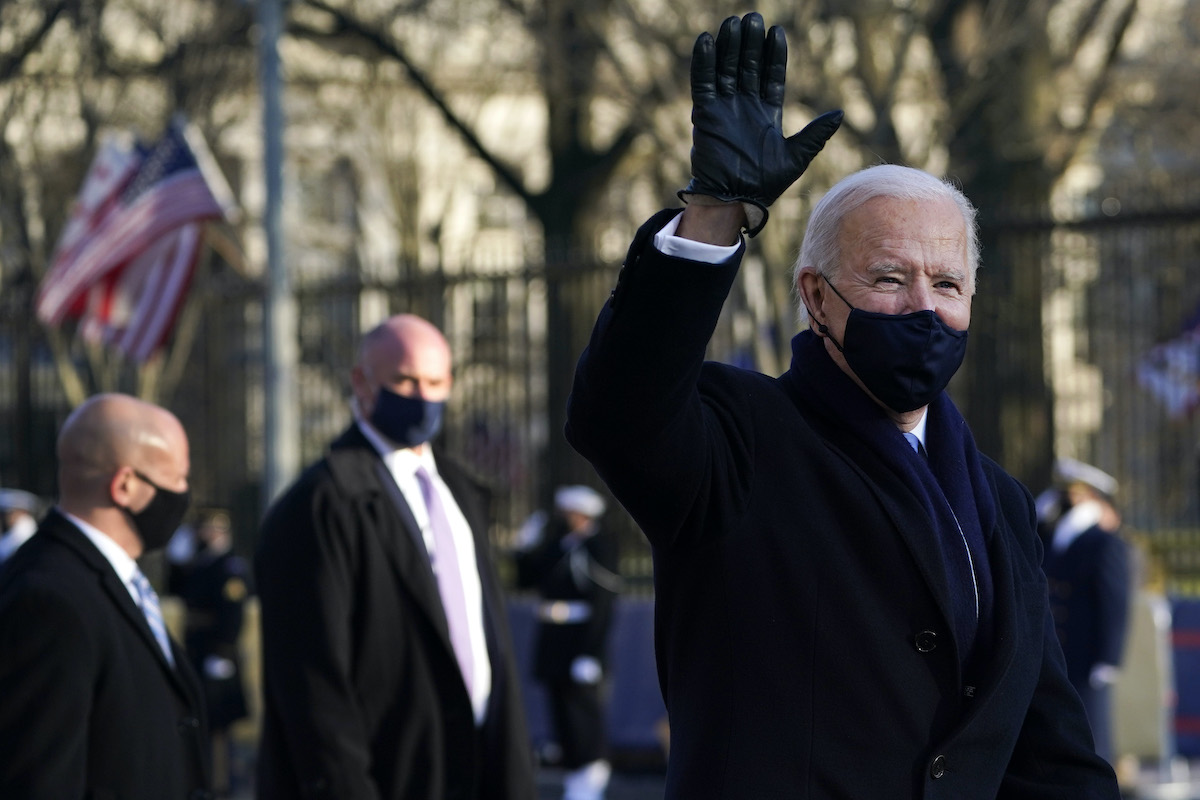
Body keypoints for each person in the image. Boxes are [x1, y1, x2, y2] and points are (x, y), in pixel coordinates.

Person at [564, 12, 1120, 798]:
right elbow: (616, 412)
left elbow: (1046, 745)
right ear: (815, 297)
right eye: (890, 279)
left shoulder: (998, 498)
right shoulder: (739, 439)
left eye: (949, 284)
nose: (924, 307)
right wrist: (716, 212)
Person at [255, 313, 535, 800]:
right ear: (362, 382)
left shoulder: (461, 491)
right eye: (404, 380)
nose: (423, 397)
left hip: (477, 768)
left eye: (435, 382)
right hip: (390, 776)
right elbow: (313, 687)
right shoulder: (319, 504)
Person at [0, 393, 211, 799]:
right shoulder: (49, 599)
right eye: (177, 479)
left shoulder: (114, 580)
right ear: (126, 485)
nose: (184, 494)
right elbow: (40, 780)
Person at [515, 485, 621, 800]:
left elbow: (603, 603)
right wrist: (525, 547)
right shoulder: (560, 545)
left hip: (580, 641)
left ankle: (591, 771)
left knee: (583, 711)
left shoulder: (600, 546)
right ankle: (574, 771)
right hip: (554, 640)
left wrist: (591, 652)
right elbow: (526, 580)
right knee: (561, 710)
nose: (566, 517)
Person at [1040, 458, 1132, 764]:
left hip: (1085, 657)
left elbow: (1114, 602)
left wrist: (1108, 658)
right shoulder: (1053, 538)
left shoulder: (1103, 543)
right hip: (1055, 654)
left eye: (1077, 495)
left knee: (1091, 740)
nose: (1069, 502)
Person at [167, 508, 253, 797]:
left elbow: (233, 613)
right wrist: (176, 559)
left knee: (220, 721)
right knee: (200, 717)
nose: (204, 535)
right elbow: (176, 590)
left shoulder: (229, 566)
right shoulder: (200, 563)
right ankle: (204, 779)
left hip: (218, 653)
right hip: (197, 650)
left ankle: (225, 781)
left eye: (210, 530)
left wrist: (223, 653)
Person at [0, 487, 41, 564]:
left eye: (9, 513)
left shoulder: (24, 535)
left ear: (23, 512)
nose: (5, 517)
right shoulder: (13, 534)